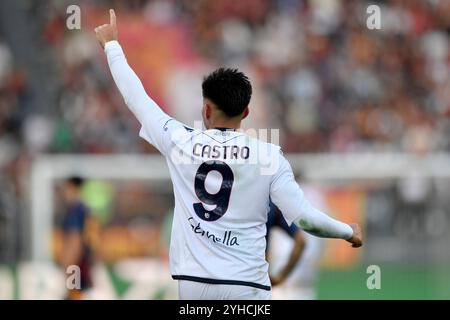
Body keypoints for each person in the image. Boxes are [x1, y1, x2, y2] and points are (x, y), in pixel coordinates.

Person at [94, 9, 362, 300]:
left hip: (194, 285)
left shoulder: (181, 142)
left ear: (206, 109)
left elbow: (137, 100)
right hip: (247, 287)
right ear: (246, 112)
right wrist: (348, 231)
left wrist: (112, 47)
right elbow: (304, 218)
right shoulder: (269, 156)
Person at [59, 176, 93, 300]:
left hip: (76, 264)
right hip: (83, 261)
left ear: (72, 187)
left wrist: (68, 264)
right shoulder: (84, 208)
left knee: (74, 295)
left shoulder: (75, 210)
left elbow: (75, 239)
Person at [266, 202, 305, 287]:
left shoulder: (234, 201)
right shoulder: (269, 203)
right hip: (256, 277)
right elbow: (300, 241)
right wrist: (281, 276)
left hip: (232, 271)